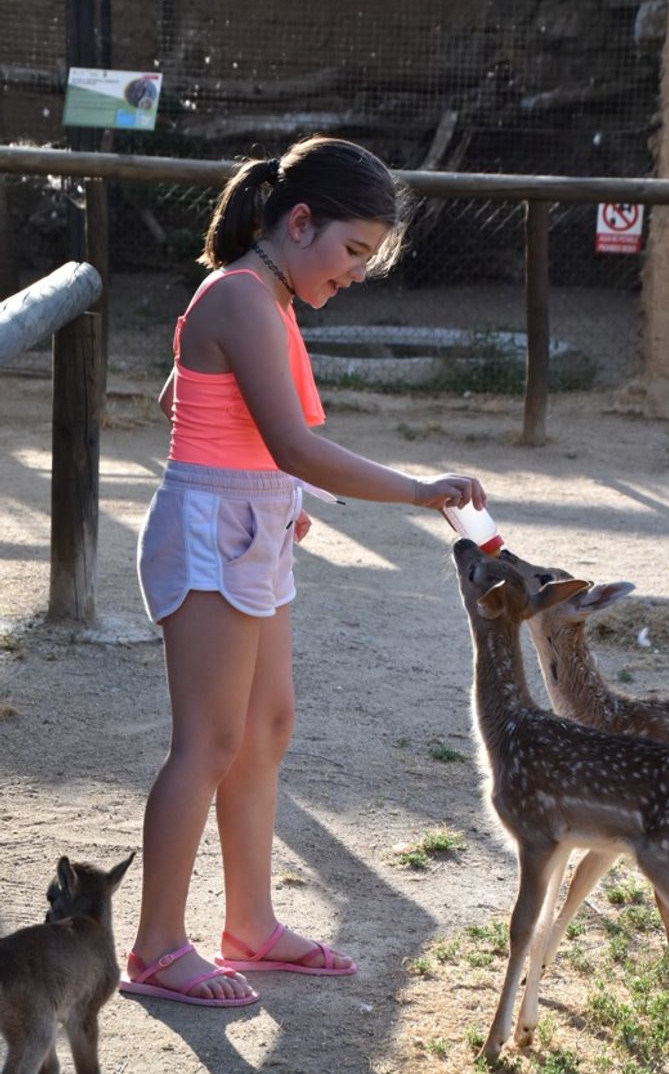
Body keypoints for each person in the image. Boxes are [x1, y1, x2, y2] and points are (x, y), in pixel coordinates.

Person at [120, 134, 486, 1006]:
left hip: (247, 526)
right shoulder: (244, 296)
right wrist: (416, 491)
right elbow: (294, 441)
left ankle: (249, 925)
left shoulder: (266, 298)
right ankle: (155, 947)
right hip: (211, 534)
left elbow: (189, 398)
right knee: (207, 743)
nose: (355, 272)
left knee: (264, 727)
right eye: (352, 251)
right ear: (298, 220)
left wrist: (268, 492)